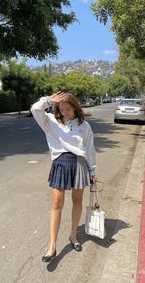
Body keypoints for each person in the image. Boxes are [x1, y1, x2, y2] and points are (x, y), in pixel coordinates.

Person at [31, 91, 97, 262]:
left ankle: (73, 235)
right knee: (56, 204)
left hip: (80, 164)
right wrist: (48, 100)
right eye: (61, 108)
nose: (64, 112)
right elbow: (35, 109)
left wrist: (93, 171)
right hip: (60, 163)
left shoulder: (85, 126)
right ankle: (52, 246)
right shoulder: (51, 121)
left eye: (68, 109)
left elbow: (90, 150)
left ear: (75, 108)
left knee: (77, 201)